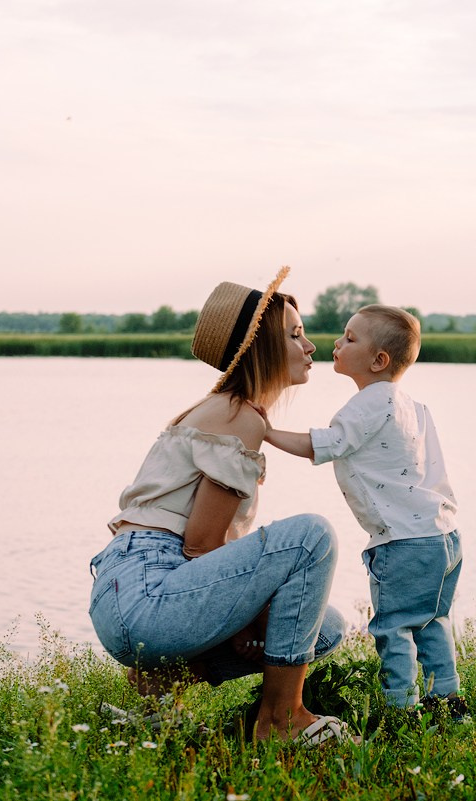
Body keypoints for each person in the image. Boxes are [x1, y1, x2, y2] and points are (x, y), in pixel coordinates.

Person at [88, 266, 358, 746]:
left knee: (325, 626)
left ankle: (156, 691)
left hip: (134, 595)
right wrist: (249, 622)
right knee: (311, 536)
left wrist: (252, 616)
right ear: (263, 348)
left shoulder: (230, 409)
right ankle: (281, 720)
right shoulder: (239, 416)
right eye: (296, 335)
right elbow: (201, 545)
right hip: (148, 592)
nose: (310, 346)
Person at [262, 305, 465, 715]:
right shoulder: (413, 406)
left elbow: (323, 445)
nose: (337, 343)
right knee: (431, 622)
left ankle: (400, 710)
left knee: (393, 626)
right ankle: (447, 702)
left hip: (402, 542)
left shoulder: (368, 403)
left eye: (350, 338)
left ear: (378, 360)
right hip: (442, 535)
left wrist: (265, 431)